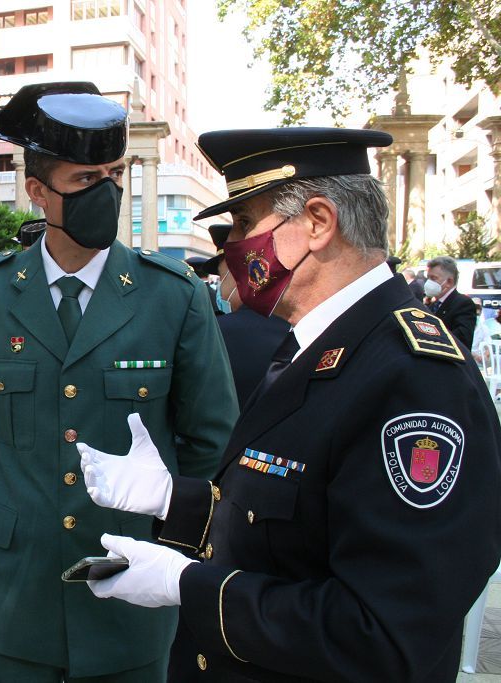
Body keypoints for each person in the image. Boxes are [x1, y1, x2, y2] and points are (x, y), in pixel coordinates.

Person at [77, 127, 501, 682]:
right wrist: (171, 500)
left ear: (319, 224)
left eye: (248, 224)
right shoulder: (319, 344)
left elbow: (382, 634)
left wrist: (187, 584)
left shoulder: (414, 378)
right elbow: (286, 530)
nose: (234, 246)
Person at [0, 82, 236, 682]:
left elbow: (210, 437)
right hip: (12, 587)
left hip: (129, 577)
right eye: (84, 180)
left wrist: (160, 518)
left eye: (113, 174)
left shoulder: (172, 297)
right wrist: (22, 495)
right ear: (39, 192)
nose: (107, 192)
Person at [201, 224, 292, 406]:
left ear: (236, 277)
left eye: (221, 276)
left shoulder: (213, 334)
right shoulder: (295, 327)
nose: (220, 287)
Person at [425, 255, 477, 349]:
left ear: (449, 281)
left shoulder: (463, 304)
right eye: (428, 278)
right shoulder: (432, 305)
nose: (428, 282)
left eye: (433, 278)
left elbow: (462, 339)